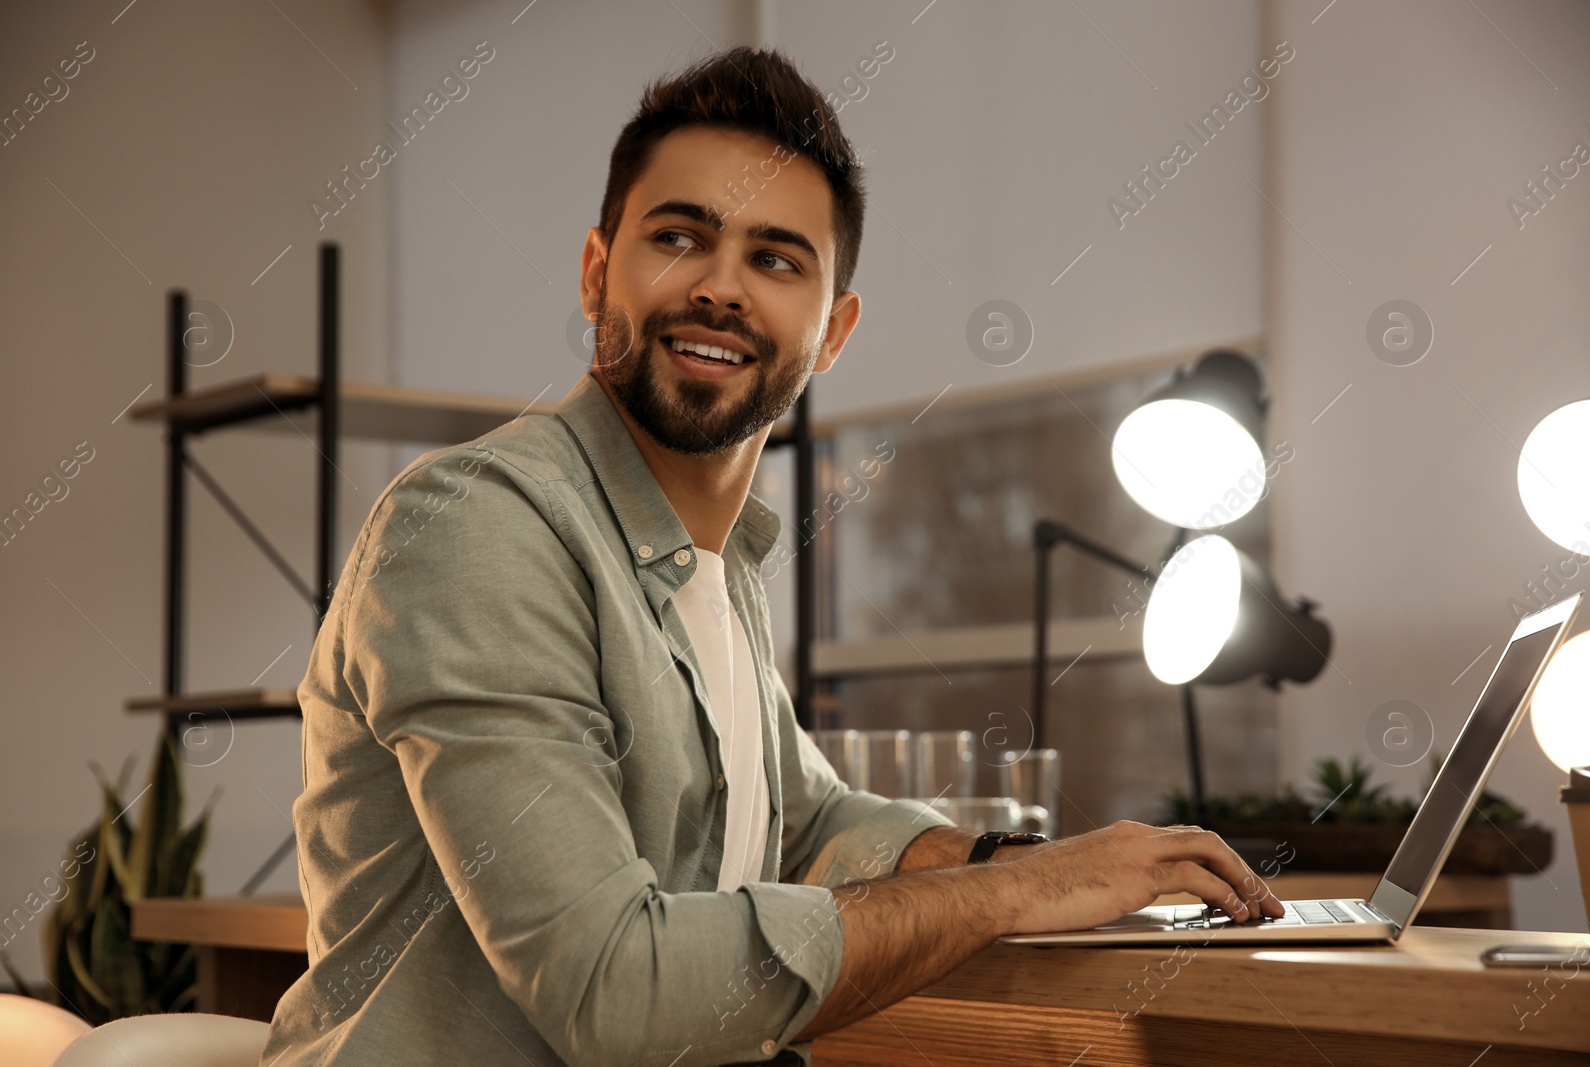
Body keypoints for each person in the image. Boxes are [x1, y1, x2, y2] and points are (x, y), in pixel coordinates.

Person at [259, 45, 1280, 1067]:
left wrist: (1029, 858)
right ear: (592, 270)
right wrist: (1019, 889)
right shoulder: (481, 524)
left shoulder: (721, 557)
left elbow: (805, 818)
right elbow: (615, 989)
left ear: (831, 332)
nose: (720, 288)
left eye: (776, 259)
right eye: (678, 237)